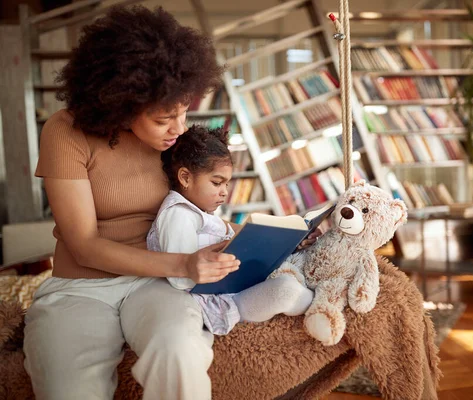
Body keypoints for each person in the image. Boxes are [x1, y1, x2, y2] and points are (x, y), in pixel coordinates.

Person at [22, 5, 321, 400]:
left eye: (183, 113)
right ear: (122, 103)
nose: (178, 129)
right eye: (165, 119)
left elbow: (197, 210)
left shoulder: (174, 142)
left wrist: (268, 234)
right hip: (82, 286)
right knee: (67, 387)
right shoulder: (65, 130)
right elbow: (84, 245)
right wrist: (183, 264)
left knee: (179, 350)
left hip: (157, 283)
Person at [146, 124, 314, 335]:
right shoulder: (177, 215)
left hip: (228, 288)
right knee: (284, 290)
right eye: (217, 183)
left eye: (227, 184)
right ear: (185, 178)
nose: (225, 192)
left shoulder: (197, 211)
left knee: (291, 272)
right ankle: (322, 309)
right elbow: (180, 278)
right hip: (214, 302)